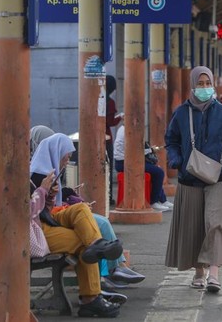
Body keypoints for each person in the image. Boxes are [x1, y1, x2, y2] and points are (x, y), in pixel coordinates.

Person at [30, 132, 145, 290]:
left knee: (85, 215)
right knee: (92, 235)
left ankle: (106, 269)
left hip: (51, 217)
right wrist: (44, 190)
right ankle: (103, 278)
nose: (68, 160)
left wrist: (59, 195)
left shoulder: (51, 171)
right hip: (39, 228)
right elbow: (32, 210)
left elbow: (46, 205)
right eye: (66, 156)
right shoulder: (36, 175)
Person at [164, 66, 222, 293]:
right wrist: (176, 160)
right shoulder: (181, 112)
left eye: (208, 83)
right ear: (193, 84)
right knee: (195, 226)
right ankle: (199, 271)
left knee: (215, 224)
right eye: (200, 83)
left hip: (218, 177)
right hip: (190, 178)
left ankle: (214, 273)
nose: (205, 87)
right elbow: (171, 139)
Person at [30, 166, 124, 317]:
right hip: (34, 232)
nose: (67, 159)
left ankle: (97, 243)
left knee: (80, 208)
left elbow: (43, 210)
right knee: (84, 243)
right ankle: (91, 298)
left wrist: (49, 196)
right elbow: (25, 211)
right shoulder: (10, 180)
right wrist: (42, 190)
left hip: (45, 221)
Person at [113, 125, 172, 211]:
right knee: (159, 172)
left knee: (156, 169)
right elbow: (135, 150)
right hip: (124, 163)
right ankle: (154, 201)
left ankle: (162, 199)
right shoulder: (129, 131)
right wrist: (151, 150)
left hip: (126, 161)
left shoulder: (122, 129)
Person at [105, 75, 123, 205]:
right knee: (108, 168)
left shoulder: (95, 99)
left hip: (94, 138)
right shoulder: (109, 102)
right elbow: (110, 122)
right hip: (106, 138)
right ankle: (108, 195)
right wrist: (120, 118)